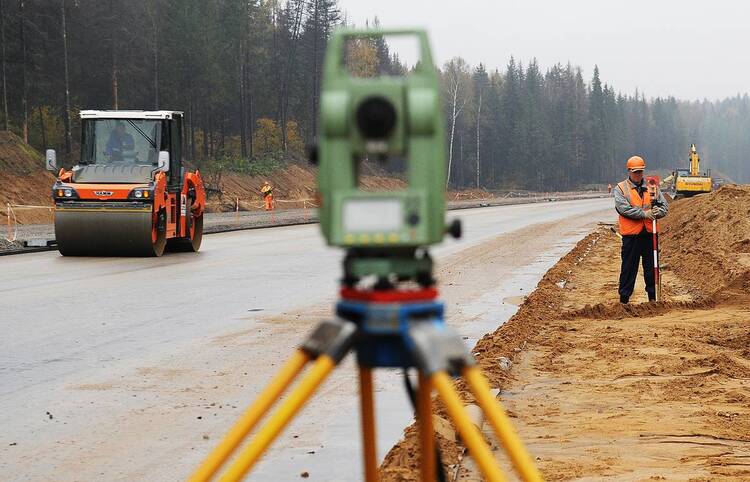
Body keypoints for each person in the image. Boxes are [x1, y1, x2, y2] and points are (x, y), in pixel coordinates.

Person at [614, 156, 668, 304]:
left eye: (640, 172)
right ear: (629, 171)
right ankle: (624, 301)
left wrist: (659, 212)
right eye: (635, 172)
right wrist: (644, 214)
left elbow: (664, 207)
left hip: (650, 235)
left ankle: (653, 299)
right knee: (628, 270)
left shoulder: (652, 186)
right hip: (631, 237)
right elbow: (624, 209)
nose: (638, 175)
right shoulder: (621, 189)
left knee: (651, 269)